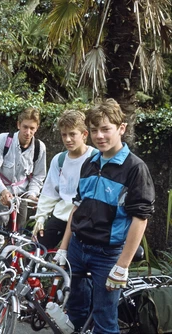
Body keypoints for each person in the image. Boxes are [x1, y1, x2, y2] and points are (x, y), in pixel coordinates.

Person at [54, 99, 155, 333]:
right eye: (95, 130)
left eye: (106, 129)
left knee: (105, 320)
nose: (100, 136)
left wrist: (123, 265)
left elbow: (140, 219)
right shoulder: (90, 162)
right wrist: (63, 247)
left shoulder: (135, 168)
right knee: (76, 310)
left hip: (107, 255)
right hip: (78, 249)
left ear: (121, 128)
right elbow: (76, 208)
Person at [32, 110, 97, 249]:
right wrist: (41, 217)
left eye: (72, 134)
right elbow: (49, 192)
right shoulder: (59, 160)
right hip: (60, 217)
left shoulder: (96, 158)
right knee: (36, 253)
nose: (67, 139)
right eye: (64, 135)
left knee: (73, 263)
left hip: (84, 221)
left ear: (84, 134)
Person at [0, 107, 47, 253]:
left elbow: (39, 176)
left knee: (19, 229)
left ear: (37, 128)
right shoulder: (4, 140)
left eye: (32, 128)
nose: (28, 132)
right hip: (1, 188)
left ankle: (10, 264)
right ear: (18, 124)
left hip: (21, 193)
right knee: (2, 217)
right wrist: (3, 191)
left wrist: (32, 194)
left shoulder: (39, 147)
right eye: (25, 127)